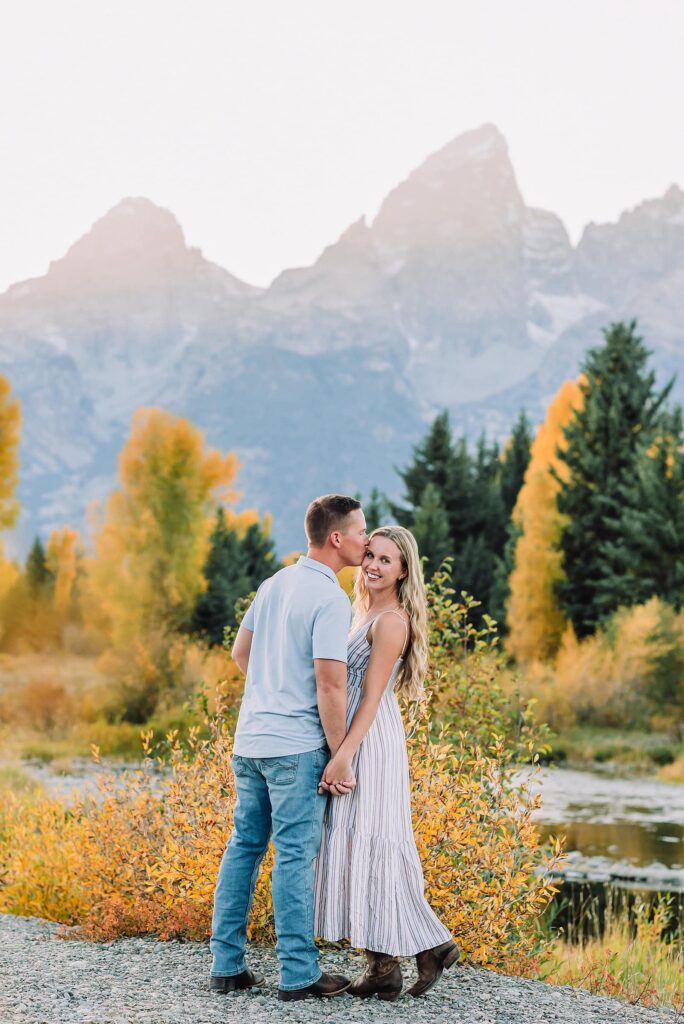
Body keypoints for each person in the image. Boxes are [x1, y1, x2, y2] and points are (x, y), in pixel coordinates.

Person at [209, 494, 368, 1001]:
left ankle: (226, 966)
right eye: (361, 532)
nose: (367, 541)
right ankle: (298, 975)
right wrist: (341, 752)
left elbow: (241, 653)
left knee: (244, 848)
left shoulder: (273, 584)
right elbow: (330, 684)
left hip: (250, 740)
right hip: (296, 748)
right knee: (294, 856)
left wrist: (270, 693)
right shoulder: (330, 598)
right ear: (336, 538)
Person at [314, 525, 460, 1000]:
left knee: (375, 840)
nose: (374, 565)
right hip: (355, 736)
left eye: (385, 560)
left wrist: (344, 755)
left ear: (402, 571)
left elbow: (372, 698)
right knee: (361, 843)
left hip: (369, 741)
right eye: (371, 555)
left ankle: (426, 944)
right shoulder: (362, 608)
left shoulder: (392, 620)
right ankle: (385, 964)